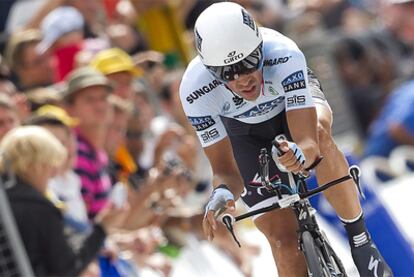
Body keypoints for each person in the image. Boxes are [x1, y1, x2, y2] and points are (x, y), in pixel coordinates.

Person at [179, 2, 392, 277]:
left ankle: (361, 239)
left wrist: (300, 152)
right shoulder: (195, 90)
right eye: (227, 73)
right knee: (283, 244)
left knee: (319, 131)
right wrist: (221, 194)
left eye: (248, 63)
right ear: (210, 69)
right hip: (245, 131)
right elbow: (225, 172)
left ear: (260, 49)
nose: (242, 79)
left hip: (292, 109)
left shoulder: (282, 52)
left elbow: (308, 142)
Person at [1, 126, 128, 276]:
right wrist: (102, 228)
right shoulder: (39, 208)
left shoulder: (9, 199)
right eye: (49, 165)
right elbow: (68, 268)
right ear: (32, 165)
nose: (54, 173)